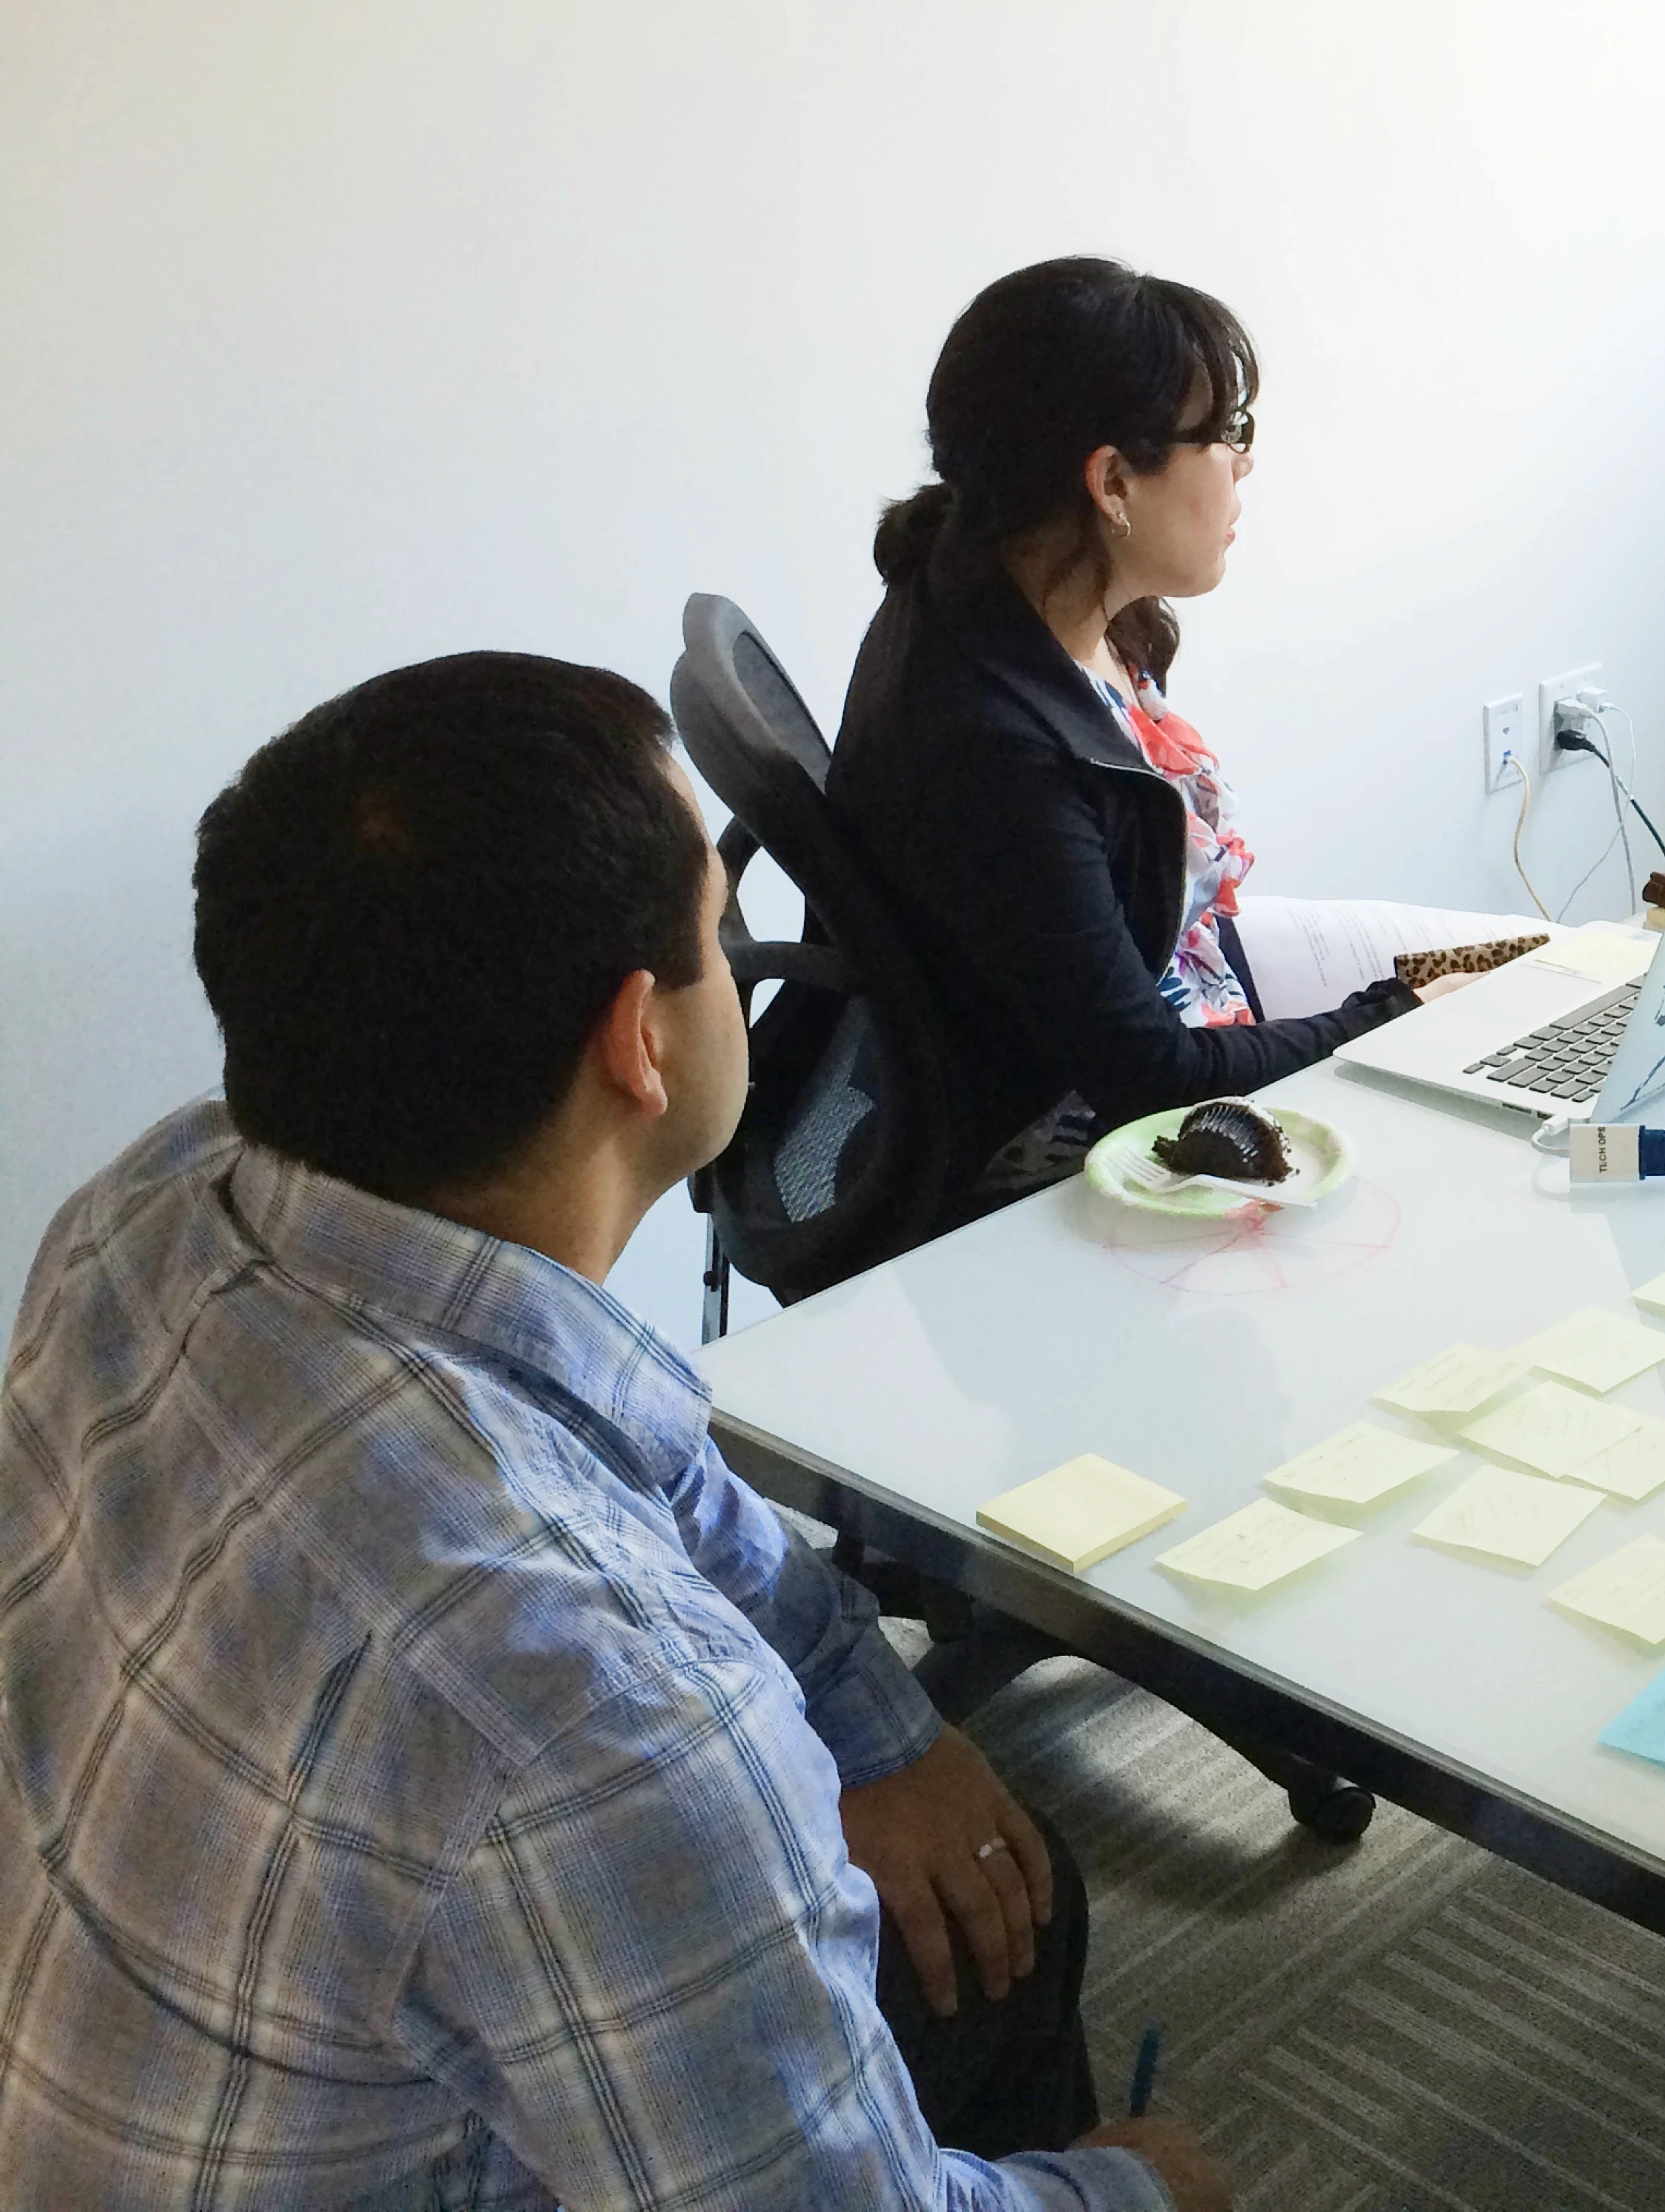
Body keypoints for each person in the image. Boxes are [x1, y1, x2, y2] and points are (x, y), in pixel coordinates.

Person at [0, 653, 1227, 2211]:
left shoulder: (164, 1202)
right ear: (638, 1042)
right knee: (1025, 1999)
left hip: (132, 2063)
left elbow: (646, 1461)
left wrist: (880, 1719)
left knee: (997, 1892)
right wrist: (1133, 2191)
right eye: (726, 933)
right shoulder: (609, 1721)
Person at [832, 257, 1453, 1204]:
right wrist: (1395, 1017)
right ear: (1112, 480)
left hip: (1192, 944)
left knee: (1542, 969)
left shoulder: (1011, 576)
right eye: (1227, 433)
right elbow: (1150, 1076)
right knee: (1468, 1062)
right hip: (1126, 1115)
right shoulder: (999, 753)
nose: (1244, 463)